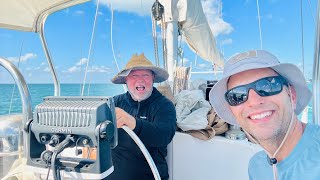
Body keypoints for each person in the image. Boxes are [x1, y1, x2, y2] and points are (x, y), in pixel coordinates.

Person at [209, 50, 320, 179]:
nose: (254, 102)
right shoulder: (256, 167)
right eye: (237, 96)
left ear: (292, 95)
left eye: (267, 85)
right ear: (233, 112)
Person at [107, 53, 176, 180]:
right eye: (134, 75)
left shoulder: (164, 106)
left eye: (145, 75)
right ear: (126, 80)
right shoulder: (114, 103)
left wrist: (133, 123)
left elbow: (163, 136)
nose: (140, 80)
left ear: (153, 78)